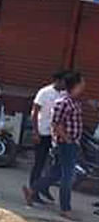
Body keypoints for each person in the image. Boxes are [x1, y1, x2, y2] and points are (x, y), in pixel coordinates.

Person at [25, 72, 86, 221]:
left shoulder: (73, 101)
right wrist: (67, 139)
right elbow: (56, 124)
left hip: (71, 143)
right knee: (67, 176)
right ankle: (65, 208)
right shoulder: (63, 102)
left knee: (56, 173)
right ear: (75, 85)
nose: (84, 86)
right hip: (65, 144)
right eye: (82, 83)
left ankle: (32, 190)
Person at [29, 70, 68, 203]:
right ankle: (33, 191)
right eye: (64, 81)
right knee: (39, 163)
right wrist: (35, 131)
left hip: (55, 135)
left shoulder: (64, 94)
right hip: (43, 132)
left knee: (53, 165)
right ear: (58, 80)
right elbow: (34, 112)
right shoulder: (44, 92)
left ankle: (43, 187)